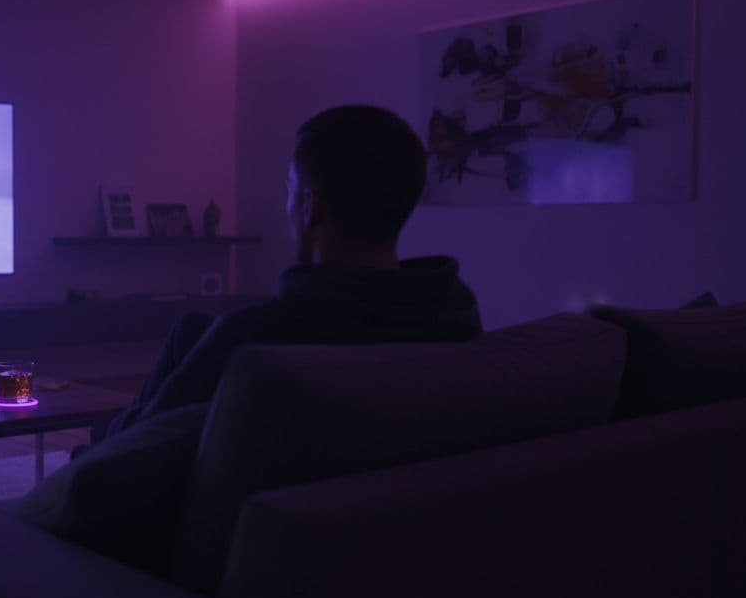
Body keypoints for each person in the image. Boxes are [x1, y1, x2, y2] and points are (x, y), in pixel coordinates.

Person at [89, 105, 483, 446]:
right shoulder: (454, 316)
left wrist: (102, 433)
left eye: (290, 189)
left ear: (311, 206)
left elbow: (126, 458)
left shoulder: (250, 340)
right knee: (191, 330)